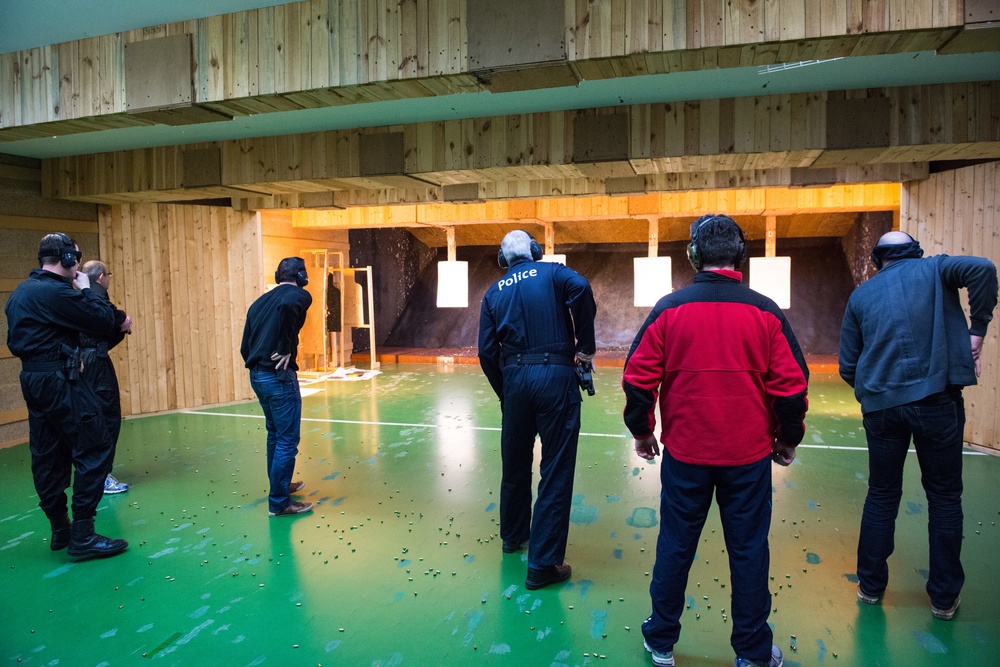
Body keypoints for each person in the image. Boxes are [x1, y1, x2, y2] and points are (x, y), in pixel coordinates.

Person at [622, 214, 808, 667]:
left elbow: (637, 379)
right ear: (740, 257)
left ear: (693, 256)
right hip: (747, 460)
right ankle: (752, 653)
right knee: (749, 551)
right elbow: (791, 387)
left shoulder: (668, 309)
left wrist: (643, 431)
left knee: (675, 545)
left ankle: (661, 641)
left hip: (685, 456)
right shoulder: (765, 311)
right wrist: (788, 439)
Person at [839, 231, 997, 621]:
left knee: (881, 495)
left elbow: (847, 365)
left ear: (878, 259)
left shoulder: (861, 296)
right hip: (937, 402)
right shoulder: (936, 268)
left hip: (882, 409)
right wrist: (978, 330)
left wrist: (874, 392)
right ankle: (943, 600)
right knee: (944, 498)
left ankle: (871, 588)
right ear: (916, 251)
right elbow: (983, 269)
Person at [478, 230, 597, 590]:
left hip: (514, 380)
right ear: (535, 251)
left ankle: (513, 536)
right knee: (555, 470)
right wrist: (585, 347)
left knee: (514, 463)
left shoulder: (493, 292)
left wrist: (507, 391)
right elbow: (583, 290)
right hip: (555, 377)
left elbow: (486, 352)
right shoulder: (554, 272)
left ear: (503, 260)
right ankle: (543, 564)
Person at [5, 233, 131, 561]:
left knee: (49, 453)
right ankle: (83, 534)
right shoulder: (56, 292)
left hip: (33, 379)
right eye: (75, 257)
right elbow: (102, 319)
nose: (77, 263)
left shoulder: (21, 293)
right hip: (61, 379)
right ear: (66, 259)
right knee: (95, 445)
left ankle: (60, 528)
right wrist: (88, 289)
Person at [241, 257, 314, 517]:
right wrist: (284, 348)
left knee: (275, 434)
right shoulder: (298, 295)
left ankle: (280, 487)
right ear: (301, 276)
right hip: (279, 377)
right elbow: (289, 302)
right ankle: (280, 502)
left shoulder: (259, 302)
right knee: (286, 440)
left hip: (258, 375)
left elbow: (244, 347)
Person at [79, 260, 131, 495]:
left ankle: (93, 472)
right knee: (108, 417)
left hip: (81, 362)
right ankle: (102, 476)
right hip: (96, 365)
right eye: (108, 275)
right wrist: (123, 323)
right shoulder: (96, 293)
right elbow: (108, 319)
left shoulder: (76, 292)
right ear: (101, 277)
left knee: (89, 417)